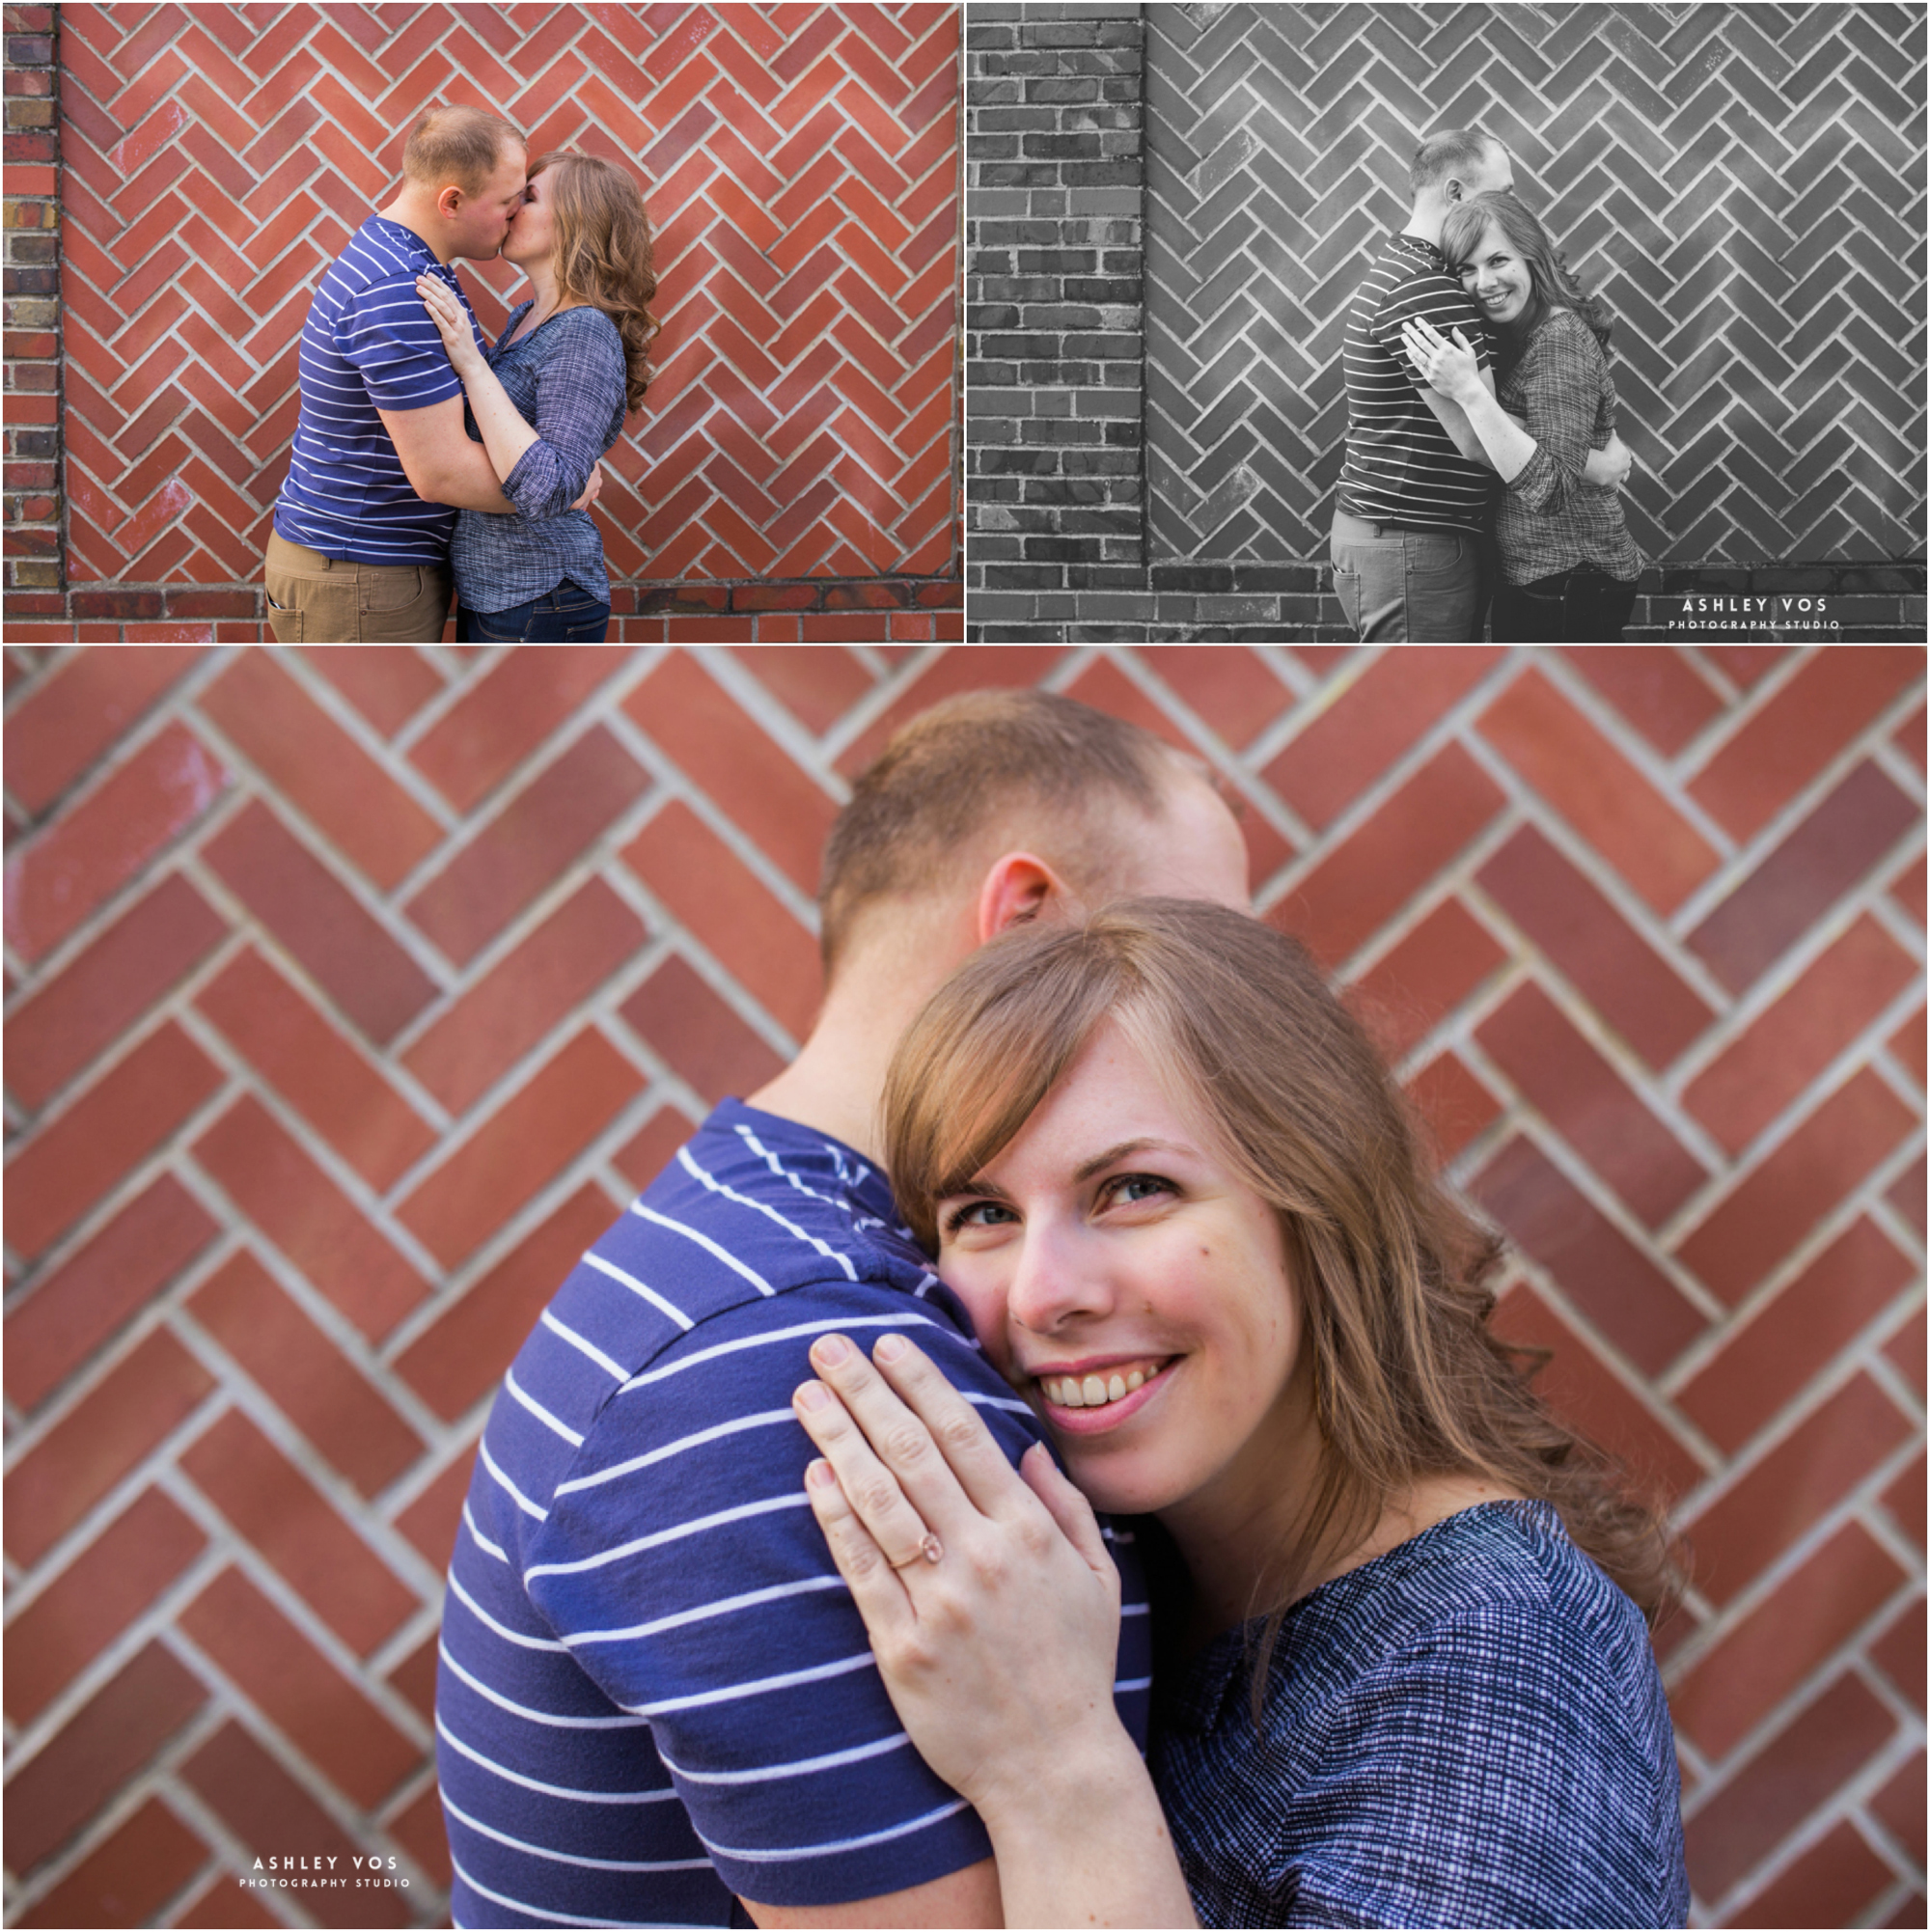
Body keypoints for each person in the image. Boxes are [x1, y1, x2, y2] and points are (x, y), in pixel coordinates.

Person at [433, 692, 1254, 1928]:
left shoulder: (745, 1244)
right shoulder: (809, 1370)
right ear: (1027, 922)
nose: (1226, 1036)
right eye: (1194, 958)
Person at [792, 899, 1692, 1928]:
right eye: (984, 1213)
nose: (1043, 1293)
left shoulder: (1497, 1654)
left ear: (1317, 1203)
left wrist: (1054, 1764)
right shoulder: (1128, 1562)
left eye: (1133, 1188)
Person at [262, 106, 601, 644]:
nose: (513, 215)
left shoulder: (411, 263)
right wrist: (563, 487)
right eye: (507, 202)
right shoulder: (397, 292)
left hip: (367, 569)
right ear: (453, 201)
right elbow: (441, 473)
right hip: (360, 576)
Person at [1332, 127, 1629, 641]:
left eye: (1497, 262)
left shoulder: (1420, 272)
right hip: (1411, 542)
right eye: (1504, 192)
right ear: (1455, 193)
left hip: (1416, 540)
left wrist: (1587, 432)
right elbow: (1475, 434)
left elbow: (1537, 397)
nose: (1514, 204)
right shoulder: (1426, 288)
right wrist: (1592, 460)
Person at [414, 150, 659, 641]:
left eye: (528, 197)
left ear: (575, 221)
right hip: (499, 592)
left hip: (542, 598)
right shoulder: (527, 316)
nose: (510, 207)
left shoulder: (584, 331)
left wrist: (471, 362)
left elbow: (548, 489)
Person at [1402, 190, 1645, 641]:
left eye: (1498, 261)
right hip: (1544, 577)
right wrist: (1597, 464)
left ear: (1531, 255)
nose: (1484, 283)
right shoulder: (1521, 334)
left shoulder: (1558, 341)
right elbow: (1561, 443)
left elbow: (1551, 487)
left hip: (1570, 580)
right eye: (1467, 270)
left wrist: (1469, 393)